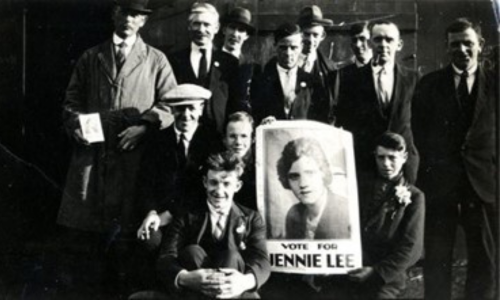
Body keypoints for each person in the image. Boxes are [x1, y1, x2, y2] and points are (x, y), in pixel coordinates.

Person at [57, 0, 176, 292]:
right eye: (125, 12)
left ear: (144, 21)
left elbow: (171, 103)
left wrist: (145, 126)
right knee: (90, 239)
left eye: (136, 15)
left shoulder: (155, 60)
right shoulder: (91, 57)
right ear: (114, 14)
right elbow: (70, 105)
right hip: (94, 157)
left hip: (132, 157)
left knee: (128, 235)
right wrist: (78, 127)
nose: (129, 19)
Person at [412, 18, 497, 300]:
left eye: (468, 43)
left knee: (484, 258)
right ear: (446, 49)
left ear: (480, 46)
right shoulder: (429, 85)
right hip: (441, 187)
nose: (462, 49)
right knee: (437, 259)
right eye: (455, 45)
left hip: (483, 186)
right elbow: (418, 136)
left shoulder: (495, 85)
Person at [156, 152, 271, 299]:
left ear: (237, 186)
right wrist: (184, 277)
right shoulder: (186, 215)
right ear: (205, 182)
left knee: (231, 254)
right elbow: (166, 257)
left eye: (226, 184)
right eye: (214, 182)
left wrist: (244, 281)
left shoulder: (251, 218)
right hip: (195, 288)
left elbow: (262, 260)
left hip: (233, 290)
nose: (219, 191)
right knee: (193, 251)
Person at [136, 84, 220, 250]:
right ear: (172, 110)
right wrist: (151, 213)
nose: (186, 115)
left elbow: (201, 188)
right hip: (161, 215)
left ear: (201, 109)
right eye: (180, 109)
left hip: (197, 214)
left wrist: (169, 214)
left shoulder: (212, 141)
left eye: (192, 108)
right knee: (149, 239)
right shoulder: (157, 140)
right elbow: (144, 183)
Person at [336, 20, 419, 184]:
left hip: (404, 166)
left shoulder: (413, 79)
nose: (383, 44)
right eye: (378, 39)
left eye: (389, 40)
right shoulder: (351, 80)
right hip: (366, 166)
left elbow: (422, 124)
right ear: (369, 43)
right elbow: (346, 121)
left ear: (399, 44)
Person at [347, 132, 424, 299]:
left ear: (404, 157)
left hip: (385, 278)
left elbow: (411, 248)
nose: (386, 164)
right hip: (352, 268)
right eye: (380, 157)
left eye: (392, 158)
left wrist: (376, 273)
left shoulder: (415, 196)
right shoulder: (358, 187)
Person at [168, 2, 240, 134]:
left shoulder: (229, 63)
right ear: (189, 26)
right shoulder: (174, 60)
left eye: (207, 24)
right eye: (196, 24)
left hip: (217, 137)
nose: (201, 30)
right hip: (184, 135)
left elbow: (235, 103)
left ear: (216, 28)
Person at [276, 137, 350, 240]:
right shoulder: (293, 214)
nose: (302, 184)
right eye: (294, 176)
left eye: (310, 173)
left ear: (323, 173)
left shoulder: (346, 211)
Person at [250, 22, 323, 125]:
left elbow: (318, 117)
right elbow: (254, 113)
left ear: (301, 47)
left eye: (294, 47)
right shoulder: (261, 80)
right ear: (275, 46)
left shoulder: (311, 81)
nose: (288, 53)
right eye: (283, 47)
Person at [296, 5, 336, 124]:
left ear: (322, 36)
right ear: (298, 34)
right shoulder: (281, 63)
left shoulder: (330, 69)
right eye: (306, 34)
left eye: (315, 35)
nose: (310, 40)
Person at [223, 111, 257, 210]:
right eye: (233, 136)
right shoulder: (219, 165)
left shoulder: (260, 164)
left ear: (253, 139)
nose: (238, 142)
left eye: (244, 136)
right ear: (224, 139)